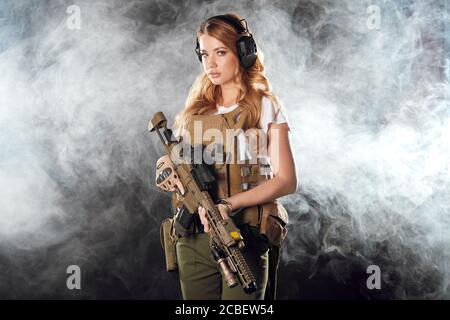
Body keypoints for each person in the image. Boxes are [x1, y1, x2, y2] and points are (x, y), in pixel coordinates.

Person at [168, 13, 297, 300]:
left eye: (221, 52)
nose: (210, 64)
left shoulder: (265, 106)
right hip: (193, 240)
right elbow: (178, 163)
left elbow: (287, 180)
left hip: (242, 237)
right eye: (204, 54)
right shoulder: (195, 110)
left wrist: (229, 204)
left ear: (243, 52)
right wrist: (166, 170)